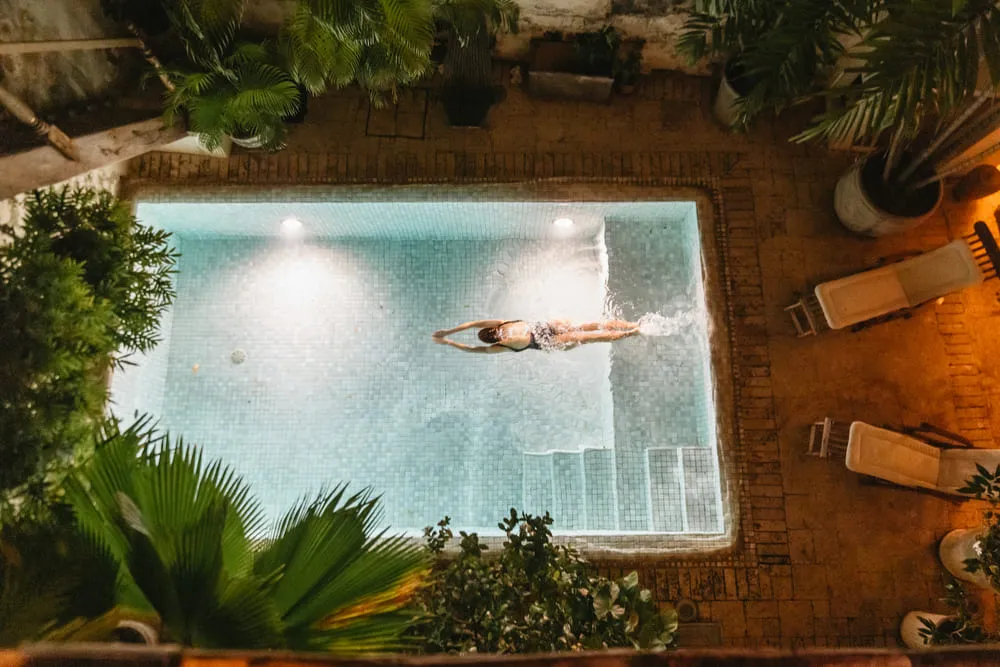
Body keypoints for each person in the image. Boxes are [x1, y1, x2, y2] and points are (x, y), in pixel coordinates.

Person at [432, 318, 640, 354]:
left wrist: (449, 331)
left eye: (491, 330)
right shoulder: (501, 346)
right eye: (492, 335)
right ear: (493, 340)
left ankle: (631, 324)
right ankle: (630, 333)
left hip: (546, 326)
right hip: (546, 342)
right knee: (587, 337)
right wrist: (450, 342)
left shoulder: (501, 323)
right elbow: (473, 349)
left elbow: (473, 324)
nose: (495, 332)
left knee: (588, 325)